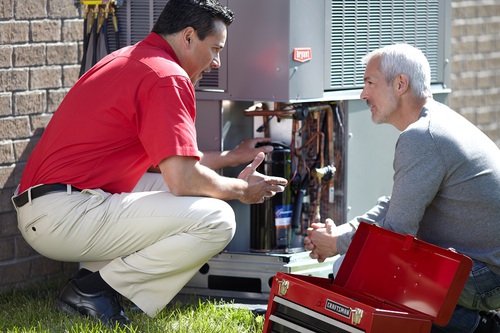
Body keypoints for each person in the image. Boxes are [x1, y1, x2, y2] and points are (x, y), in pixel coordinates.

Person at [11, 0, 288, 327]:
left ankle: (96, 280)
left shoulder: (136, 59)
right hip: (62, 213)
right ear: (187, 37)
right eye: (214, 49)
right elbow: (182, 179)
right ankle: (94, 289)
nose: (216, 62)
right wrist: (242, 189)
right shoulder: (166, 76)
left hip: (54, 204)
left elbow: (168, 164)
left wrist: (228, 158)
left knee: (194, 196)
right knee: (217, 218)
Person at [304, 44, 500, 333]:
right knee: (353, 261)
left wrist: (337, 245)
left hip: (485, 277)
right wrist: (341, 234)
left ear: (400, 84)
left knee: (359, 269)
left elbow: (396, 232)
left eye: (369, 82)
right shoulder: (435, 123)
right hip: (483, 269)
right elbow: (395, 204)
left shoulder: (423, 136)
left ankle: (476, 327)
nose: (363, 94)